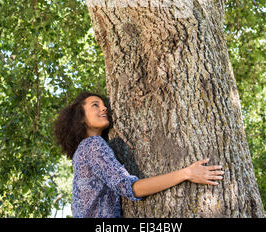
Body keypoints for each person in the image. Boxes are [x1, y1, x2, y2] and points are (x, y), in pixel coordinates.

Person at [53, 91, 224, 218]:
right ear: (80, 118)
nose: (104, 108)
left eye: (103, 104)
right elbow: (130, 188)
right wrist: (186, 173)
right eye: (95, 105)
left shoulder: (82, 152)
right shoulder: (92, 145)